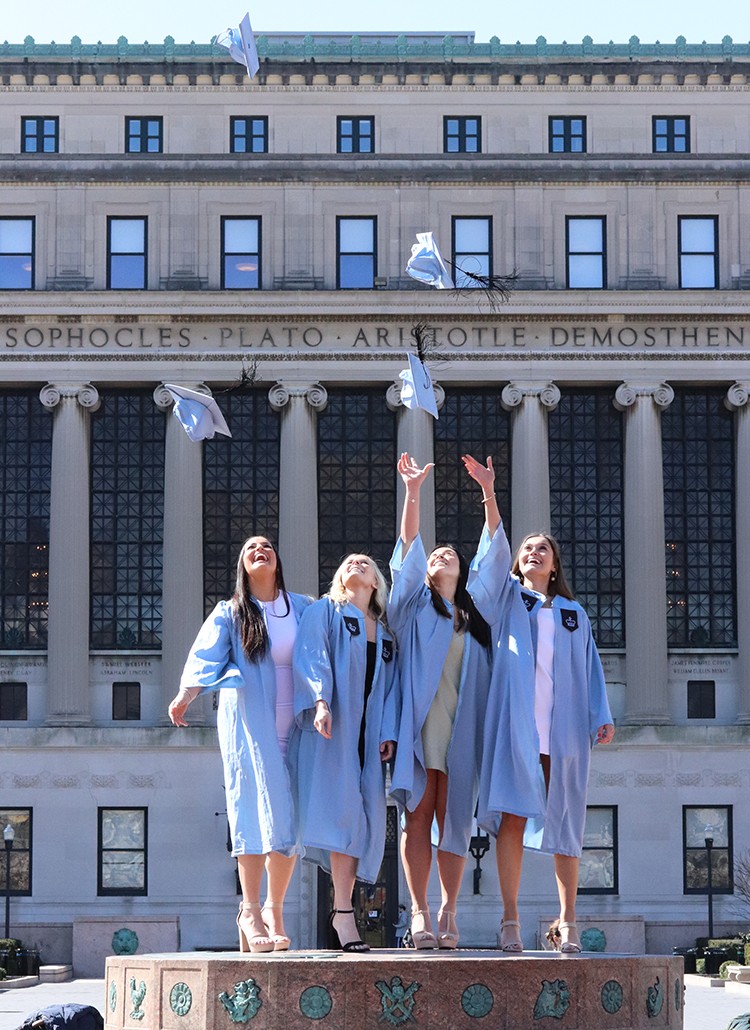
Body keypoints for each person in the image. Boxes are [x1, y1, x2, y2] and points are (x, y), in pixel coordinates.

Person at [463, 454, 615, 955]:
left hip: (564, 731)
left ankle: (568, 922)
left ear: (554, 564)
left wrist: (601, 715)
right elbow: (489, 562)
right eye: (527, 548)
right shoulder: (507, 599)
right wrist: (489, 494)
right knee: (511, 816)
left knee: (566, 820)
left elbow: (591, 667)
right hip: (518, 728)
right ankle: (510, 921)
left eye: (542, 549)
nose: (533, 552)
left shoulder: (573, 613)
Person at [168, 536, 312, 953]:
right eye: (250, 548)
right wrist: (186, 694)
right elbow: (205, 655)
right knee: (250, 809)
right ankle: (249, 910)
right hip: (250, 723)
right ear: (242, 566)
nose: (259, 550)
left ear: (278, 559)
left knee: (290, 820)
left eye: (266, 545)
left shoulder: (302, 608)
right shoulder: (231, 613)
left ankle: (274, 909)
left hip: (297, 724)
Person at [388, 453, 492, 950]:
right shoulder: (412, 607)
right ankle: (420, 913)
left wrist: (489, 496)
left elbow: (498, 568)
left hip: (461, 727)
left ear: (462, 568)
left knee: (456, 822)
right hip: (421, 724)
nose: (439, 556)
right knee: (418, 817)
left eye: (449, 553)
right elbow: (407, 549)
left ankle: (451, 910)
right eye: (435, 556)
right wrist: (412, 493)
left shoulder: (475, 620)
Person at [289, 554, 400, 953]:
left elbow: (390, 690)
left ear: (376, 582)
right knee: (342, 817)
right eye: (349, 562)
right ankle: (344, 912)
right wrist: (320, 701)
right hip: (334, 730)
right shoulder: (326, 612)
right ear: (340, 577)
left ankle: (342, 911)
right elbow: (312, 656)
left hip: (368, 741)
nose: (355, 564)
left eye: (365, 563)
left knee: (359, 818)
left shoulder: (385, 635)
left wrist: (388, 732)